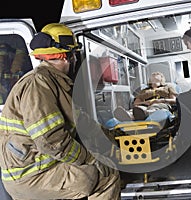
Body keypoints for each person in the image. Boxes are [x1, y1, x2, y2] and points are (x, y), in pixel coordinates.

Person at [0, 23, 120, 200]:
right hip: (32, 175)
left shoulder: (53, 83)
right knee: (106, 175)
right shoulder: (38, 84)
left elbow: (82, 123)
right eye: (74, 56)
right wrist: (90, 159)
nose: (75, 60)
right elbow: (51, 141)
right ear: (66, 57)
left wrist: (111, 137)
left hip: (38, 167)